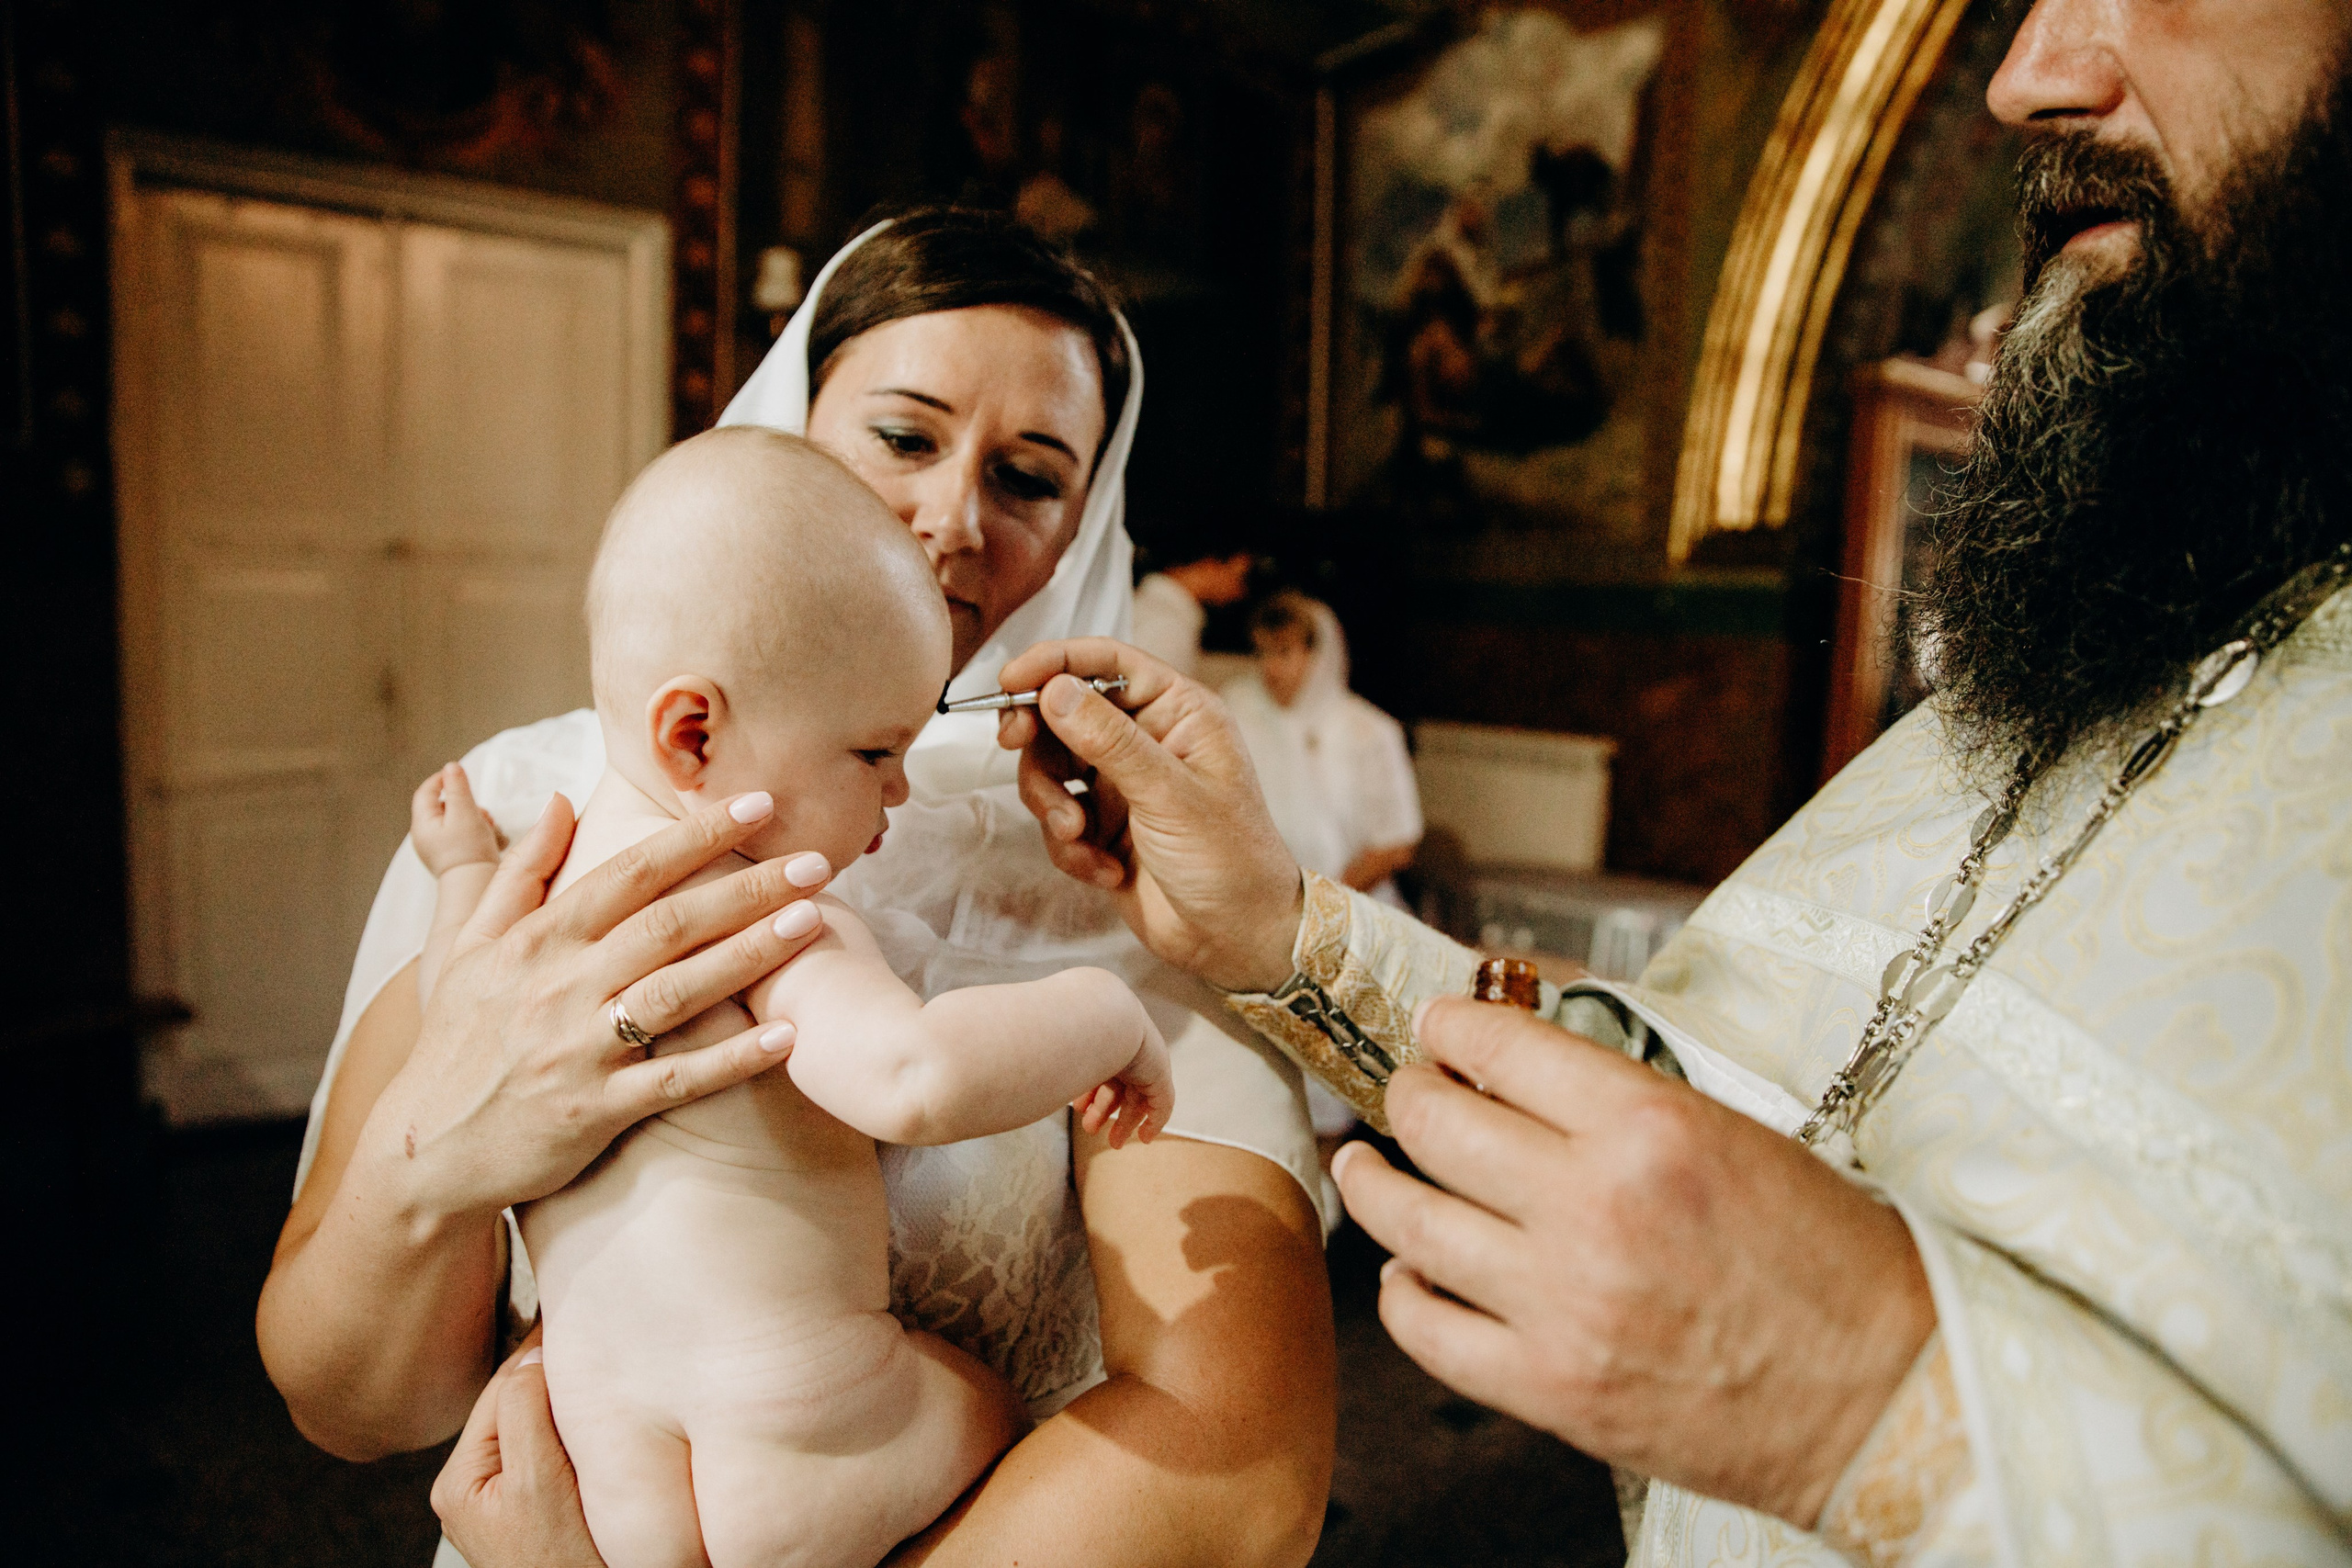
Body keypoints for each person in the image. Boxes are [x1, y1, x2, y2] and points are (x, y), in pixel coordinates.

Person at [989, 3, 2352, 1562]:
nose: (2027, 75)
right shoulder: (2137, 619)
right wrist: (1281, 934)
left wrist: (1881, 1404)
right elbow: (1723, 1109)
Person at [258, 208, 1335, 1568]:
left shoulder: (1148, 865)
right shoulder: (534, 815)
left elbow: (1235, 1472)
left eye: (1030, 475)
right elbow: (357, 1403)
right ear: (789, 421)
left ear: (1086, 525)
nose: (952, 518)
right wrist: (444, 1159)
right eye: (903, 435)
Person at [408, 428, 1174, 1567]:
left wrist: (465, 867)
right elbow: (914, 1078)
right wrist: (1109, 1018)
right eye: (874, 752)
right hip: (805, 1433)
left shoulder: (536, 912)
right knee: (995, 1404)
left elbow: (448, 1010)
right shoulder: (761, 912)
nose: (901, 789)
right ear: (695, 735)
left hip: (600, 1466)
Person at [1225, 591, 1421, 907]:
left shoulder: (1370, 731)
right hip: (1255, 906)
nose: (1270, 669)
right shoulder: (1236, 710)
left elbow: (1395, 847)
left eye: (1284, 652)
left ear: (1319, 655)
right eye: (1263, 652)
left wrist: (1319, 907)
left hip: (1353, 907)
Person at [1128, 542, 1253, 680]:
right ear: (1210, 565)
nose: (1241, 592)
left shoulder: (1146, 605)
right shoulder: (1168, 625)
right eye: (1240, 576)